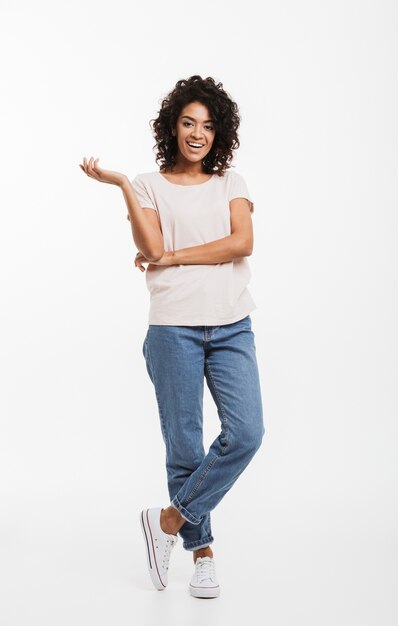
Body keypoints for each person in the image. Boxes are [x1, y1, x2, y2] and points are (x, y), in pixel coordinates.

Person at [79, 74, 265, 599]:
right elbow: (150, 242)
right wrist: (120, 186)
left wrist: (175, 257)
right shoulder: (146, 184)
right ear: (173, 127)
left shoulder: (233, 182)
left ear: (219, 132)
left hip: (232, 324)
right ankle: (201, 553)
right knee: (184, 446)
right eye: (188, 122)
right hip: (172, 327)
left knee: (246, 433)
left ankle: (165, 521)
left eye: (207, 125)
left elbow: (241, 242)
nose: (197, 133)